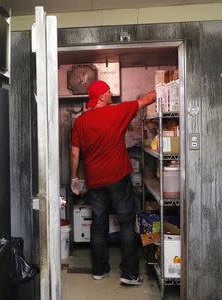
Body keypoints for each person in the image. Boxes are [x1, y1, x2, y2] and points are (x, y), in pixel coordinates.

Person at [69, 80, 156, 286]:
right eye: (108, 91)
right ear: (101, 96)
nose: (111, 93)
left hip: (95, 181)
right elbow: (148, 99)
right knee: (126, 224)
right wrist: (167, 86)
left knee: (98, 225)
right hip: (118, 178)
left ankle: (99, 270)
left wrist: (74, 178)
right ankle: (129, 273)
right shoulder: (118, 111)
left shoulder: (80, 121)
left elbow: (74, 153)